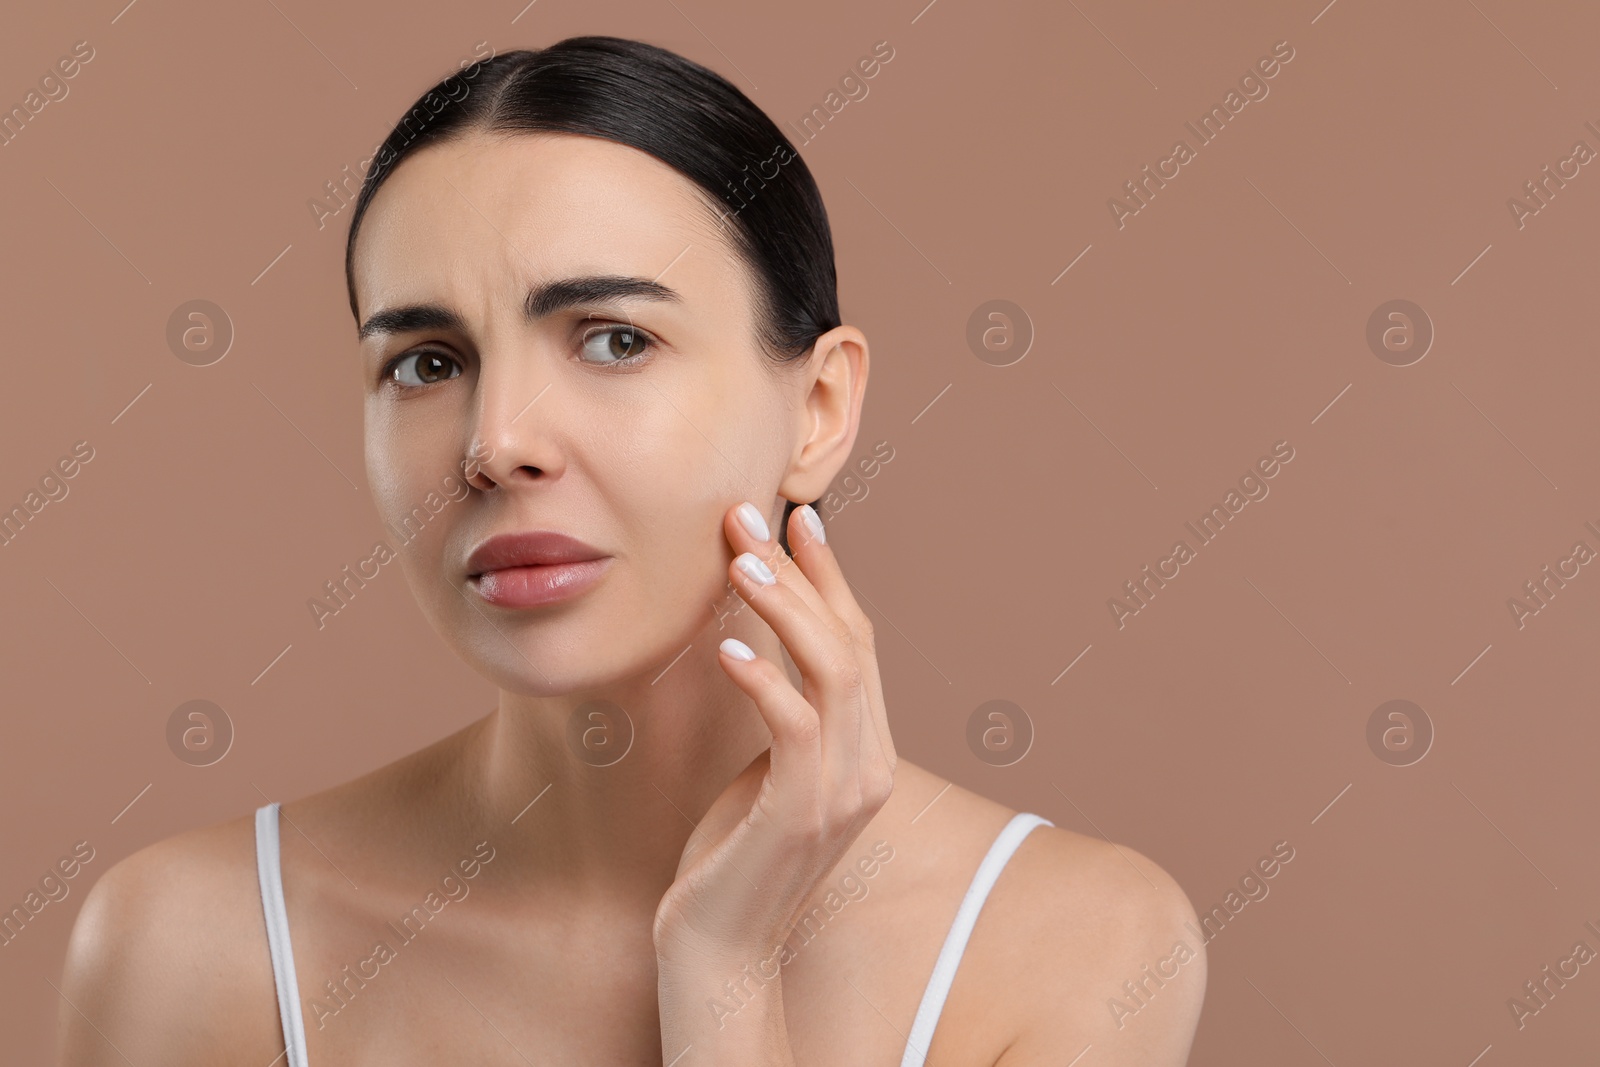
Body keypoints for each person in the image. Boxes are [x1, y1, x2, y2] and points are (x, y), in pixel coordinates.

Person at [56, 35, 1204, 1066]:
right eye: (426, 361)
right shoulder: (191, 946)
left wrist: (721, 967)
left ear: (818, 408)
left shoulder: (1070, 942)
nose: (497, 442)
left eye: (614, 338)